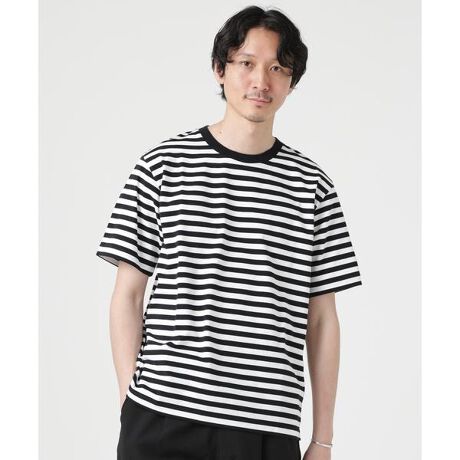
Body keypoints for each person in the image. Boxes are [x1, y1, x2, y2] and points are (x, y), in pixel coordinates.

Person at [96, 5, 362, 460]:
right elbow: (127, 295)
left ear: (291, 82)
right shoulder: (162, 166)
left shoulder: (312, 186)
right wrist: (130, 403)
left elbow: (322, 319)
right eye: (247, 63)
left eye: (278, 68)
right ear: (220, 69)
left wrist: (322, 439)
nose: (261, 81)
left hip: (265, 427)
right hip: (162, 416)